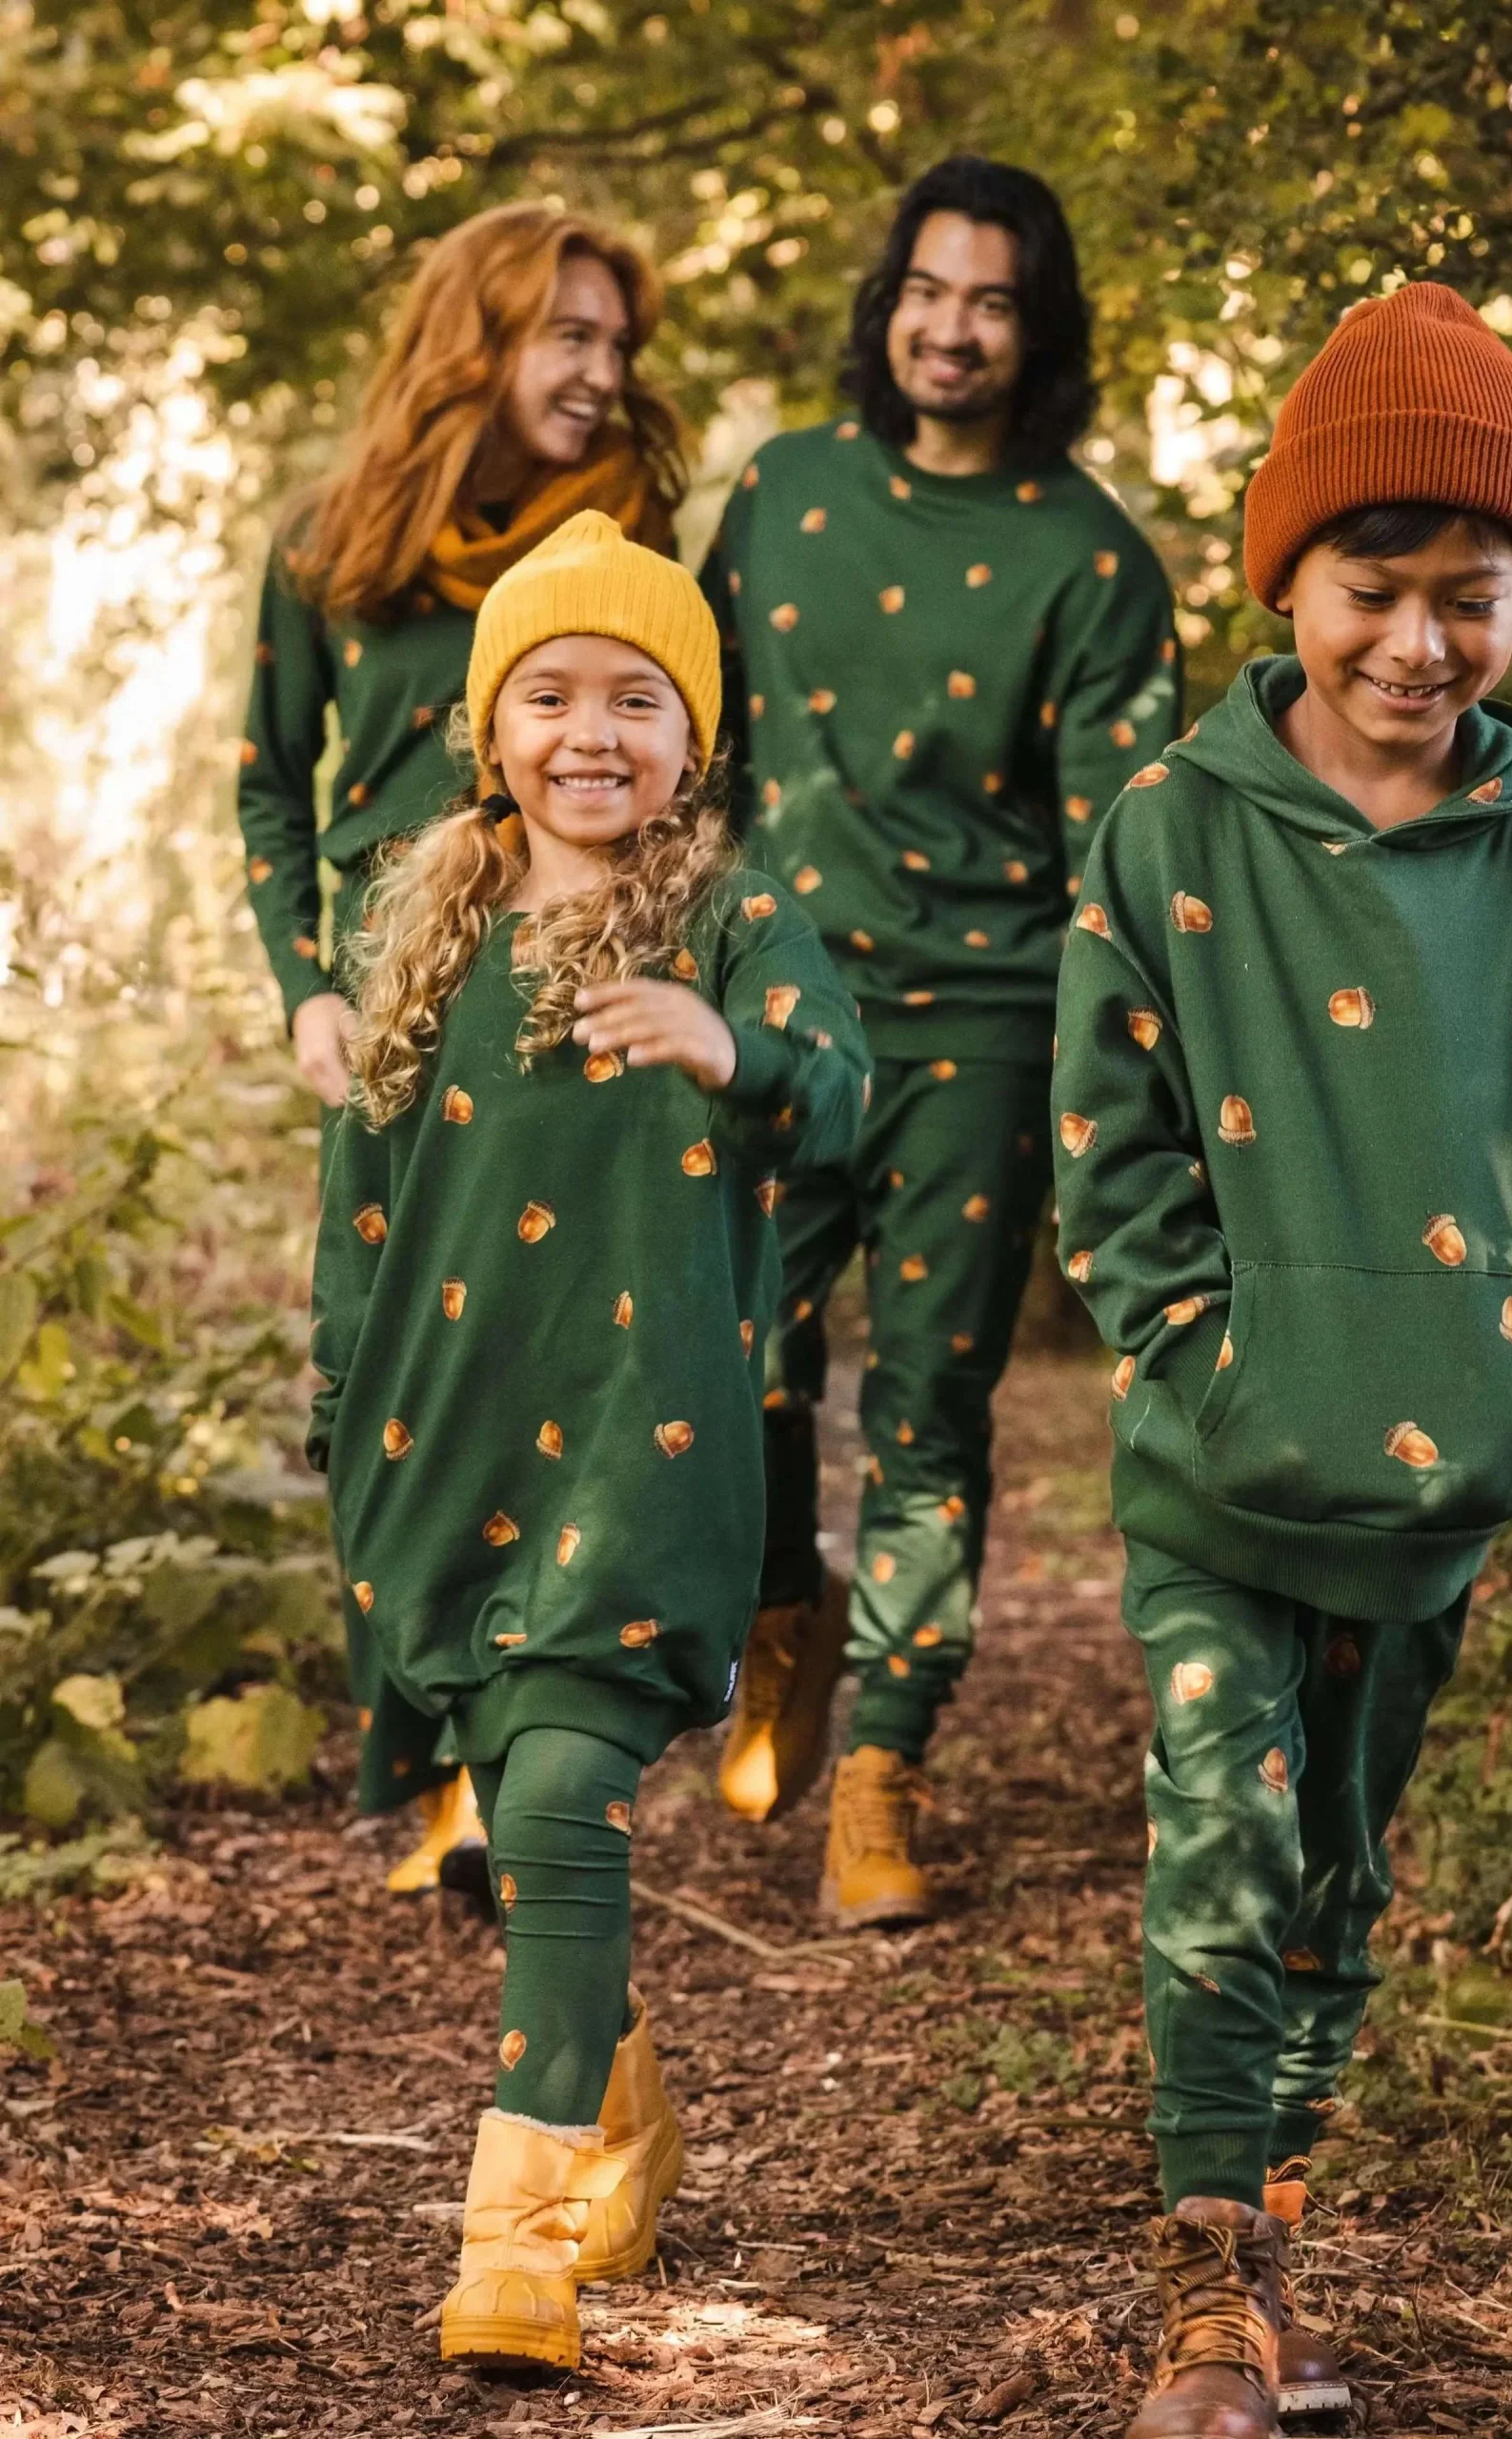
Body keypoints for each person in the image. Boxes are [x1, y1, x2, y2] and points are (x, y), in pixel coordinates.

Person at [1051, 283, 1512, 2436]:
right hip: (1219, 1468)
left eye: (1469, 599)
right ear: (1287, 582)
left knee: (1338, 1861)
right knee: (1222, 1836)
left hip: (1443, 1478)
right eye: (1372, 590)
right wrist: (1197, 1346)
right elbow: (1111, 1123)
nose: (1417, 643)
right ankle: (1204, 2278)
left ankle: (1278, 2232)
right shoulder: (1175, 827)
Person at [307, 510, 867, 2369]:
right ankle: (621, 2105)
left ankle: (516, 2239)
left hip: (650, 1441)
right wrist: (340, 1409)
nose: (591, 732)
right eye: (549, 694)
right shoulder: (428, 931)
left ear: (691, 738)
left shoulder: (732, 923)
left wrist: (732, 1047)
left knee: (555, 1799)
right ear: (493, 726)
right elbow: (361, 1212)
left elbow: (844, 1092)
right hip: (448, 1448)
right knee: (540, 1821)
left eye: (638, 696)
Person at [649, 154, 1179, 1927]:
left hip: (986, 1030)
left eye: (993, 303)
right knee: (737, 1347)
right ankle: (781, 1604)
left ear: (1040, 332)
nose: (952, 330)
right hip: (772, 1005)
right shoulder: (786, 491)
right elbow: (695, 737)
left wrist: (1130, 1073)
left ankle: (884, 1761)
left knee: (934, 1405)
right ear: (889, 307)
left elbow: (1120, 857)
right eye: (928, 292)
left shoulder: (1092, 562)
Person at [238, 202, 685, 1892]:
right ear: (474, 341)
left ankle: (523, 1742)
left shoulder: (631, 537)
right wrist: (308, 987)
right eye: (568, 335)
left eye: (616, 344)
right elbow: (269, 789)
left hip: (572, 968)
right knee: (387, 1350)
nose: (602, 372)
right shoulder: (327, 543)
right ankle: (420, 1731)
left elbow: (689, 753)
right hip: (395, 996)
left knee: (550, 1344)